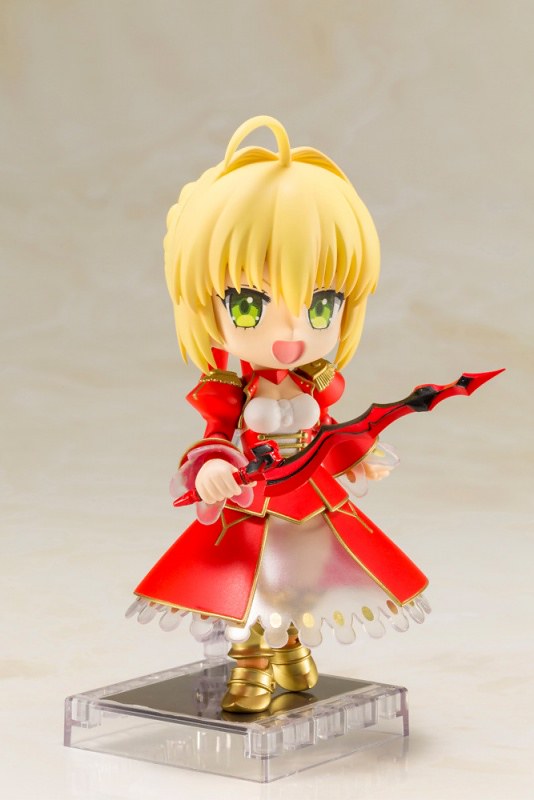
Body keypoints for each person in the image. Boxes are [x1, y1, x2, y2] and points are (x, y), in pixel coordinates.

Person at [127, 116, 429, 713]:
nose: (291, 333)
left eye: (321, 305)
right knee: (248, 583)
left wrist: (358, 457)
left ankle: (291, 650)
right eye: (249, 304)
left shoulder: (317, 383)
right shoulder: (228, 388)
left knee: (301, 578)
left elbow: (331, 434)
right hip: (254, 495)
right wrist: (213, 466)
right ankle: (251, 669)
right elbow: (216, 434)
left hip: (312, 494)